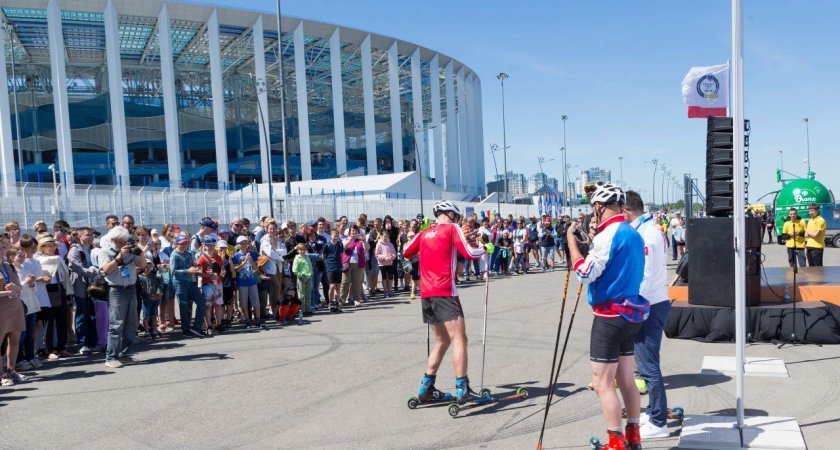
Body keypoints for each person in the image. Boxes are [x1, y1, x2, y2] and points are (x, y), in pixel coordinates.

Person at [568, 184, 648, 450]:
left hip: (609, 315)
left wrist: (573, 245)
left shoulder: (608, 235)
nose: (594, 213)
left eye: (594, 207)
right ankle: (633, 435)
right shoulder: (632, 232)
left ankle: (615, 442)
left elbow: (584, 273)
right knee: (626, 379)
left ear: (600, 206)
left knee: (602, 383)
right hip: (630, 314)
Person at [402, 200, 485, 405]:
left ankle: (426, 387)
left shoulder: (425, 232)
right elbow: (469, 253)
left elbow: (406, 252)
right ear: (450, 214)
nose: (457, 220)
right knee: (459, 339)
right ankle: (462, 387)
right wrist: (485, 248)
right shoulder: (451, 228)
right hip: (446, 291)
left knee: (442, 340)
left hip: (427, 293)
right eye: (456, 217)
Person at [623, 191, 671, 440]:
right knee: (645, 364)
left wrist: (633, 304)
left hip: (648, 305)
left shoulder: (646, 234)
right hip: (653, 302)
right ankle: (654, 411)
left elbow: (646, 274)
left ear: (627, 211)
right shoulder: (649, 230)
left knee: (649, 366)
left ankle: (659, 422)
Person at [99, 226, 146, 368]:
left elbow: (142, 266)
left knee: (132, 324)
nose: (123, 244)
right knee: (116, 324)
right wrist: (119, 257)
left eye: (124, 241)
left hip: (131, 288)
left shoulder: (130, 251)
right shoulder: (105, 252)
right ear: (113, 239)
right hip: (116, 290)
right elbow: (105, 270)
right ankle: (111, 357)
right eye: (120, 241)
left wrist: (140, 253)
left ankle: (123, 354)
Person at [66, 227, 100, 354]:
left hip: (94, 286)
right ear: (80, 236)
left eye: (92, 235)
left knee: (92, 314)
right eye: (87, 235)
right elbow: (76, 267)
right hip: (80, 287)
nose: (90, 237)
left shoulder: (93, 249)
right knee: (81, 314)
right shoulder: (75, 250)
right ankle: (82, 343)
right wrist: (94, 271)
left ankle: (92, 342)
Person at [170, 235, 206, 338]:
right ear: (177, 244)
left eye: (185, 243)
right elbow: (173, 271)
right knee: (184, 305)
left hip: (190, 282)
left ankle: (196, 327)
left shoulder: (189, 253)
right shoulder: (174, 255)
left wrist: (196, 267)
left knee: (201, 301)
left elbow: (192, 265)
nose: (184, 245)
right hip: (180, 283)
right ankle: (185, 330)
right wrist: (187, 270)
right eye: (182, 243)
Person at [0, 235, 24, 386]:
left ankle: (11, 371)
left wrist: (16, 288)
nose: (4, 248)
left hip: (14, 306)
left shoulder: (8, 266)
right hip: (1, 308)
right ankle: (1, 376)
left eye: (6, 245)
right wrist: (7, 293)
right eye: (2, 245)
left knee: (14, 341)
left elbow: (20, 287)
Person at [233, 236, 262, 327]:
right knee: (243, 302)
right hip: (242, 282)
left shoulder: (252, 254)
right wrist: (245, 261)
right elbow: (236, 269)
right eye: (241, 243)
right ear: (238, 244)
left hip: (252, 281)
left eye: (245, 242)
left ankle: (258, 319)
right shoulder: (236, 255)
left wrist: (252, 262)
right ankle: (247, 319)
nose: (244, 245)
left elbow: (257, 270)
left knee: (256, 301)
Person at [322, 229, 344, 313]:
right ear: (330, 236)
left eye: (337, 236)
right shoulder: (327, 245)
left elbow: (341, 255)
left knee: (338, 286)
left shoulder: (340, 244)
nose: (336, 237)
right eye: (334, 236)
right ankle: (330, 303)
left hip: (338, 267)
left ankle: (337, 303)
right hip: (330, 268)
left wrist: (341, 264)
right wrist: (327, 265)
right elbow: (323, 257)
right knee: (332, 286)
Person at [291, 243, 313, 318]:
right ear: (297, 250)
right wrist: (300, 275)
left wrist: (311, 274)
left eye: (304, 249)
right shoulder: (297, 258)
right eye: (300, 250)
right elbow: (294, 269)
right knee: (301, 295)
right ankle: (302, 310)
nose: (302, 251)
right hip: (301, 277)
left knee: (308, 294)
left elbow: (310, 266)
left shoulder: (307, 257)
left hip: (309, 277)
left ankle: (308, 309)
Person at [375, 232, 397, 297]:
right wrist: (384, 258)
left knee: (390, 277)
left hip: (389, 263)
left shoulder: (390, 244)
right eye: (384, 236)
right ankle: (385, 291)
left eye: (386, 236)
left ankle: (389, 290)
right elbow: (377, 254)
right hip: (382, 264)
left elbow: (394, 253)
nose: (385, 238)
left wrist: (391, 257)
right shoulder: (379, 244)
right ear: (381, 236)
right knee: (384, 278)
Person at [804, 203, 826, 267]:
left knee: (818, 268)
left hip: (817, 247)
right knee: (811, 268)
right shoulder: (810, 220)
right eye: (809, 211)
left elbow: (815, 235)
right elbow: (805, 235)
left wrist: (808, 232)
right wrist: (809, 233)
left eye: (812, 211)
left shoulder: (821, 220)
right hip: (809, 246)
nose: (810, 212)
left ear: (817, 210)